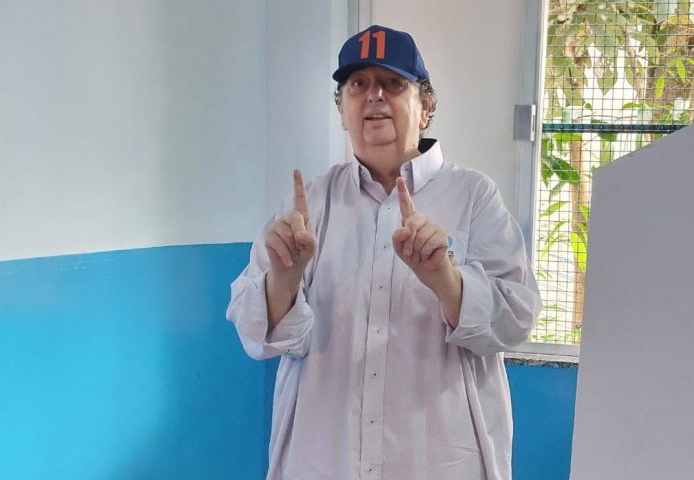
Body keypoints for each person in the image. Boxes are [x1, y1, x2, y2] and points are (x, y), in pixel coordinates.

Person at [226, 24, 540, 480]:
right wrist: (284, 281)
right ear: (342, 111)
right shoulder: (310, 204)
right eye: (358, 84)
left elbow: (516, 319)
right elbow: (254, 332)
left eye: (393, 83)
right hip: (323, 459)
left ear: (425, 106)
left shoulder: (473, 196)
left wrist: (446, 281)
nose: (374, 95)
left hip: (436, 461)